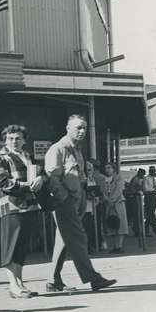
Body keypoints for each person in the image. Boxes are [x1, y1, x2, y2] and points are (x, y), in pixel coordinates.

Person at [43, 115, 116, 293]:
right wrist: (65, 199)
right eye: (78, 128)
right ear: (67, 128)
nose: (82, 131)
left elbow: (80, 177)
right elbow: (52, 178)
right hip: (64, 203)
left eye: (84, 128)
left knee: (64, 240)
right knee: (79, 238)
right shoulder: (58, 149)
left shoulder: (77, 150)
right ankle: (93, 278)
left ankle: (53, 281)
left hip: (78, 200)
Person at [0, 125, 43, 298]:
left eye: (18, 138)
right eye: (10, 138)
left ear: (24, 140)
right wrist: (28, 186)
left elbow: (42, 173)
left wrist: (41, 178)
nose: (14, 141)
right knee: (11, 245)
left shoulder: (29, 157)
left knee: (21, 246)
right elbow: (2, 182)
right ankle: (12, 284)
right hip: (11, 206)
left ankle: (19, 282)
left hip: (30, 206)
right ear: (5, 139)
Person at [102, 163, 128, 253]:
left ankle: (119, 246)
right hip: (108, 204)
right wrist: (107, 199)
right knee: (111, 223)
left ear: (113, 169)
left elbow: (119, 189)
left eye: (109, 168)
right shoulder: (104, 179)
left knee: (120, 224)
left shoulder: (118, 178)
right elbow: (102, 191)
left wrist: (112, 200)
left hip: (118, 203)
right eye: (106, 168)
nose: (107, 170)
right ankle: (115, 246)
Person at [82, 161, 102, 255]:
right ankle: (87, 247)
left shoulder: (92, 179)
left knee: (90, 228)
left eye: (90, 169)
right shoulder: (81, 180)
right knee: (85, 228)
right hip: (82, 208)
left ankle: (92, 245)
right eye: (87, 170)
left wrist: (95, 197)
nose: (89, 171)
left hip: (91, 207)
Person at [142, 166, 156, 237]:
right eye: (152, 171)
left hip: (153, 196)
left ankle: (146, 230)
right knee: (151, 213)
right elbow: (145, 189)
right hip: (148, 196)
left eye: (154, 171)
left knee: (149, 214)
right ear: (150, 171)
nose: (154, 172)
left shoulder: (154, 178)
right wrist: (153, 188)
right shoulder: (146, 178)